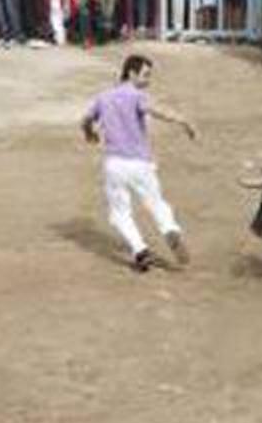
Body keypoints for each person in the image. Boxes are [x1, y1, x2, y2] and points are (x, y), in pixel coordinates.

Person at [81, 55, 197, 273]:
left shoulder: (103, 97)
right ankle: (170, 229)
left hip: (114, 164)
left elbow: (85, 120)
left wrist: (89, 133)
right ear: (131, 73)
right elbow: (156, 111)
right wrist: (182, 119)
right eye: (145, 75)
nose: (148, 80)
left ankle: (140, 250)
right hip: (140, 163)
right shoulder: (137, 96)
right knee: (157, 204)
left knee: (119, 214)